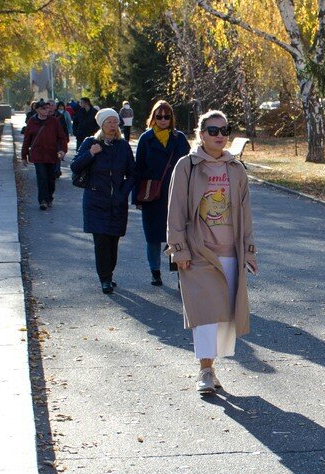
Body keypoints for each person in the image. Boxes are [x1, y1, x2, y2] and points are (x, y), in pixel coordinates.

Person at [166, 110, 257, 395]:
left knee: (225, 316)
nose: (219, 136)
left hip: (230, 251)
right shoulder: (187, 166)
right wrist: (178, 249)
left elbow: (245, 212)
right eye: (213, 130)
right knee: (204, 314)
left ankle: (212, 365)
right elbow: (176, 211)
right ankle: (205, 370)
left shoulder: (236, 169)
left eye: (224, 130)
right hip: (198, 251)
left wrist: (249, 250)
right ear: (201, 134)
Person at [70, 108, 136, 294]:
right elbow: (75, 166)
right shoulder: (91, 143)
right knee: (101, 242)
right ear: (102, 124)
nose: (113, 125)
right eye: (109, 122)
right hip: (95, 201)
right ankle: (104, 278)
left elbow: (132, 173)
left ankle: (109, 273)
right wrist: (91, 153)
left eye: (115, 122)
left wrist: (123, 191)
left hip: (117, 202)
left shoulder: (123, 146)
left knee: (113, 241)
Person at [132, 100, 190, 286]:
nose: (163, 120)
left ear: (171, 118)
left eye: (167, 116)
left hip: (176, 194)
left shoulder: (179, 138)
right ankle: (155, 271)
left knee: (178, 236)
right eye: (159, 116)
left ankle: (180, 273)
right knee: (153, 237)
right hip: (152, 195)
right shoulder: (145, 138)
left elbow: (190, 165)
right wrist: (136, 197)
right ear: (153, 118)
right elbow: (138, 168)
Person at [21, 99, 68, 210]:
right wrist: (23, 156)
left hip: (52, 155)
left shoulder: (54, 121)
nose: (46, 110)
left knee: (51, 179)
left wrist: (63, 150)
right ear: (37, 110)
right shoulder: (32, 122)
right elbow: (27, 140)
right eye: (43, 108)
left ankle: (49, 198)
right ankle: (43, 200)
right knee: (42, 177)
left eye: (47, 108)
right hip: (38, 155)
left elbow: (62, 137)